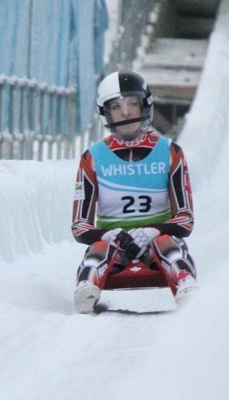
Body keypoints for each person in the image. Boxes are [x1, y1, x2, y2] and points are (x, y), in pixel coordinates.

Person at [71, 70, 197, 314]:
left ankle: (185, 283)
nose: (126, 112)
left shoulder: (171, 153)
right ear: (106, 112)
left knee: (167, 244)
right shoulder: (93, 158)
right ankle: (86, 287)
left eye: (132, 104)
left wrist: (153, 231)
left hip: (157, 243)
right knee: (99, 249)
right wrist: (110, 235)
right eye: (116, 106)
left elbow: (185, 219)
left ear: (144, 106)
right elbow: (79, 225)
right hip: (114, 246)